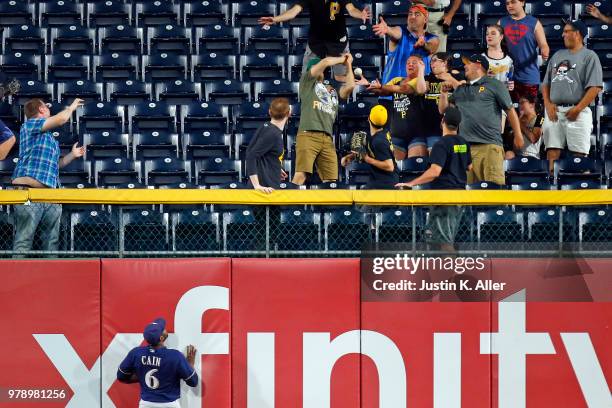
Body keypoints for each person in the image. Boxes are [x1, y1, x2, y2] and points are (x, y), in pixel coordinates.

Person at [11, 98, 85, 256]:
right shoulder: (29, 125)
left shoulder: (50, 139)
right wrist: (71, 107)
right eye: (47, 107)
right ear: (41, 109)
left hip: (50, 195)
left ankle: (50, 279)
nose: (49, 110)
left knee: (51, 243)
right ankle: (16, 279)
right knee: (24, 240)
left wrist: (72, 155)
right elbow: (61, 119)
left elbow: (55, 165)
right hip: (28, 193)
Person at [439, 54, 523, 185]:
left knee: (493, 192)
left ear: (478, 65)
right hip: (465, 149)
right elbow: (444, 110)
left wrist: (518, 135)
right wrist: (443, 93)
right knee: (467, 194)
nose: (464, 66)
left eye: (468, 63)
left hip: (489, 145)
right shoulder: (462, 89)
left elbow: (510, 110)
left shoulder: (495, 84)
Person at [395, 107, 470, 252]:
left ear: (443, 121)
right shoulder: (463, 143)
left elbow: (435, 171)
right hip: (460, 197)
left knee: (445, 242)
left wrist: (411, 183)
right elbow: (469, 167)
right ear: (458, 124)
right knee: (438, 240)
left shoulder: (441, 144)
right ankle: (443, 272)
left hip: (445, 199)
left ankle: (450, 274)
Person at [541, 19, 603, 170]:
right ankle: (552, 186)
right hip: (554, 110)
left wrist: (578, 109)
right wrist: (548, 104)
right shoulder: (557, 55)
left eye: (567, 31)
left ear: (578, 34)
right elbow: (545, 84)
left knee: (578, 154)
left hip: (578, 111)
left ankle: (578, 187)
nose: (563, 35)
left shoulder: (590, 56)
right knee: (552, 151)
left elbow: (595, 87)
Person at [258, 0, 370, 81]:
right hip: (317, 42)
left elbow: (351, 9)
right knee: (307, 77)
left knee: (340, 77)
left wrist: (360, 14)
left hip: (338, 43)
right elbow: (293, 12)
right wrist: (275, 19)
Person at [292, 54, 356, 185]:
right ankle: (287, 205)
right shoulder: (306, 82)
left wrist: (349, 64)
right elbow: (326, 61)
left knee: (331, 181)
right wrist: (343, 59)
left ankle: (329, 206)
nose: (319, 69)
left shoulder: (332, 90)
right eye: (316, 67)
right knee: (301, 175)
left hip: (327, 138)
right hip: (308, 134)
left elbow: (349, 87)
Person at [117, 318, 198, 408]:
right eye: (163, 329)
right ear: (161, 338)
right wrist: (190, 364)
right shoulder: (175, 356)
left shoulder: (136, 353)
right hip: (170, 405)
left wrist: (142, 376)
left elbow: (121, 376)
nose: (165, 328)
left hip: (146, 404)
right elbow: (193, 382)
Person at [367, 55, 428, 159]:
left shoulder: (422, 81)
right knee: (396, 168)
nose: (410, 64)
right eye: (408, 62)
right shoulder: (397, 80)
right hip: (397, 134)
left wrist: (381, 86)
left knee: (415, 167)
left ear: (422, 65)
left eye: (414, 62)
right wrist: (368, 85)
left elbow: (405, 89)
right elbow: (383, 91)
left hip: (416, 133)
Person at [373, 3, 439, 93]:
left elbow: (432, 47)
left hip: (417, 96)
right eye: (410, 14)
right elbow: (395, 33)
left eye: (417, 14)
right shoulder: (401, 32)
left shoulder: (432, 38)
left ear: (425, 19)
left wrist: (424, 44)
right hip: (391, 95)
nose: (412, 17)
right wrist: (388, 29)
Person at [498, 0, 550, 102]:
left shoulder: (534, 22)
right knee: (508, 114)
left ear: (522, 2)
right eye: (507, 3)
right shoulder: (501, 22)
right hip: (507, 76)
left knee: (528, 113)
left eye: (513, 2)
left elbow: (544, 45)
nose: (510, 6)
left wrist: (544, 50)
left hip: (528, 75)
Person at [341, 105, 399, 189]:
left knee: (362, 195)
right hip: (380, 180)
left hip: (387, 184)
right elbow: (370, 151)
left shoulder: (379, 141)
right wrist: (350, 157)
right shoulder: (379, 133)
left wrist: (368, 159)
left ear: (369, 118)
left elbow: (389, 166)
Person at [246, 98, 291, 193]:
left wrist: (275, 166)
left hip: (269, 184)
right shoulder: (272, 133)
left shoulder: (266, 126)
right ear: (288, 114)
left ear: (269, 112)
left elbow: (263, 153)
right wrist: (257, 186)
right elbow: (251, 155)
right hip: (266, 190)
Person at [422, 52, 463, 151]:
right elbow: (422, 89)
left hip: (454, 128)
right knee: (435, 158)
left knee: (455, 158)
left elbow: (464, 93)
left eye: (434, 60)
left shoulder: (457, 77)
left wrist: (450, 79)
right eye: (431, 62)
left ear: (444, 63)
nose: (431, 64)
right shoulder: (428, 78)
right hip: (432, 128)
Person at [505, 94, 544, 160]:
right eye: (519, 103)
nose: (520, 106)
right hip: (516, 155)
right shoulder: (518, 119)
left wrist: (519, 123)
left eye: (522, 102)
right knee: (508, 154)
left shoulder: (540, 119)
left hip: (532, 155)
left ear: (532, 105)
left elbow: (533, 139)